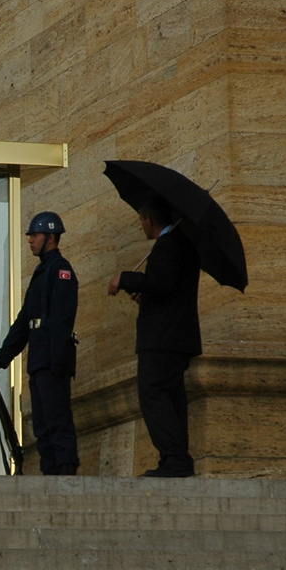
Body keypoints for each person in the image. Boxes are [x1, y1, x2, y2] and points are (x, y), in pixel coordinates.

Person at [108, 195, 201, 478]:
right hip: (175, 337)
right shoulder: (182, 244)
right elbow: (167, 289)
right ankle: (176, 459)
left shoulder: (169, 244)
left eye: (141, 220)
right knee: (171, 396)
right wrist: (143, 294)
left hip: (162, 339)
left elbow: (161, 283)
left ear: (149, 220)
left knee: (153, 394)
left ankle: (174, 459)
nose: (141, 226)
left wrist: (125, 279)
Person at [0, 211, 79, 476]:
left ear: (50, 237)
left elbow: (61, 319)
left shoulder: (61, 271)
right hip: (39, 359)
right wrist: (0, 360)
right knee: (43, 424)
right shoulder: (42, 272)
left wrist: (56, 361)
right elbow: (24, 322)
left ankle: (66, 471)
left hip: (53, 359)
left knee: (57, 419)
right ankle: (51, 471)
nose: (29, 241)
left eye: (34, 235)